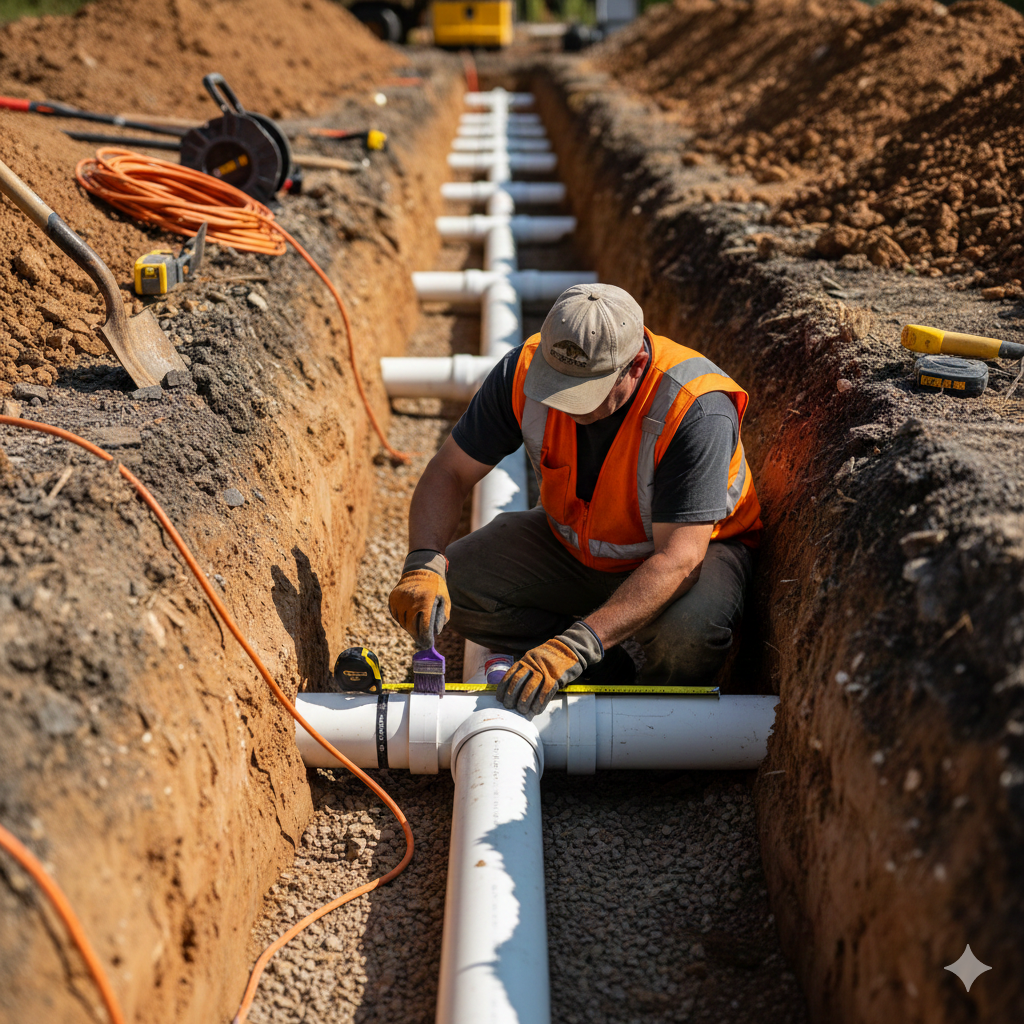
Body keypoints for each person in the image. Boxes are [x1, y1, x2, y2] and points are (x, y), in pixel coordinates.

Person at [388, 284, 761, 715]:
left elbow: (679, 559)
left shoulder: (694, 407)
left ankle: (658, 727)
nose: (564, 405)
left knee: (690, 635)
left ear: (635, 365)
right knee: (458, 584)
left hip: (692, 555)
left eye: (583, 392)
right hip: (577, 544)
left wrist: (577, 644)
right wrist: (423, 562)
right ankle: (608, 676)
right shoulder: (523, 371)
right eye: (557, 385)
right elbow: (449, 471)